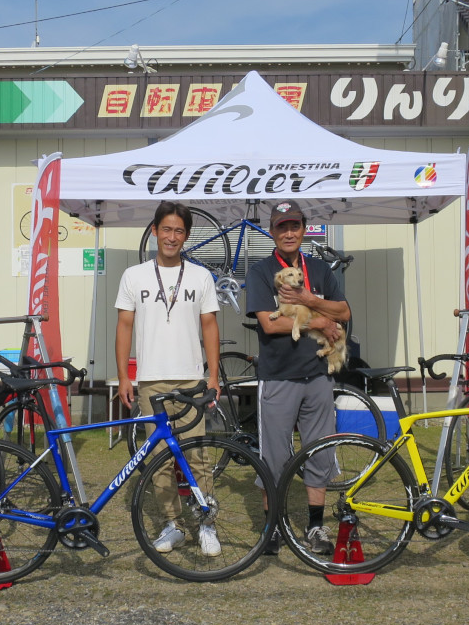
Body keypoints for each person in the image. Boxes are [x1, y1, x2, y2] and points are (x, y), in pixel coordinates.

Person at [115, 201, 222, 556]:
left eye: (179, 231)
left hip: (191, 379)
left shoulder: (200, 276)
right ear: (155, 230)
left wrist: (213, 376)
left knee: (198, 455)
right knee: (159, 457)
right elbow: (124, 327)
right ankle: (171, 525)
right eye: (166, 229)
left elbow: (210, 326)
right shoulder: (134, 275)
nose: (171, 237)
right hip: (151, 380)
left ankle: (206, 523)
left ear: (186, 236)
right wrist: (123, 377)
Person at [245, 199, 350, 556]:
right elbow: (269, 323)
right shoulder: (261, 272)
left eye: (294, 226)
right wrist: (319, 320)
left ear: (304, 229)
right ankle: (272, 526)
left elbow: (345, 311)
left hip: (318, 375)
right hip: (278, 377)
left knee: (319, 452)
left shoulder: (319, 269)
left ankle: (316, 526)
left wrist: (308, 298)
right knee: (273, 455)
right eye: (281, 227)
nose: (288, 232)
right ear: (272, 231)